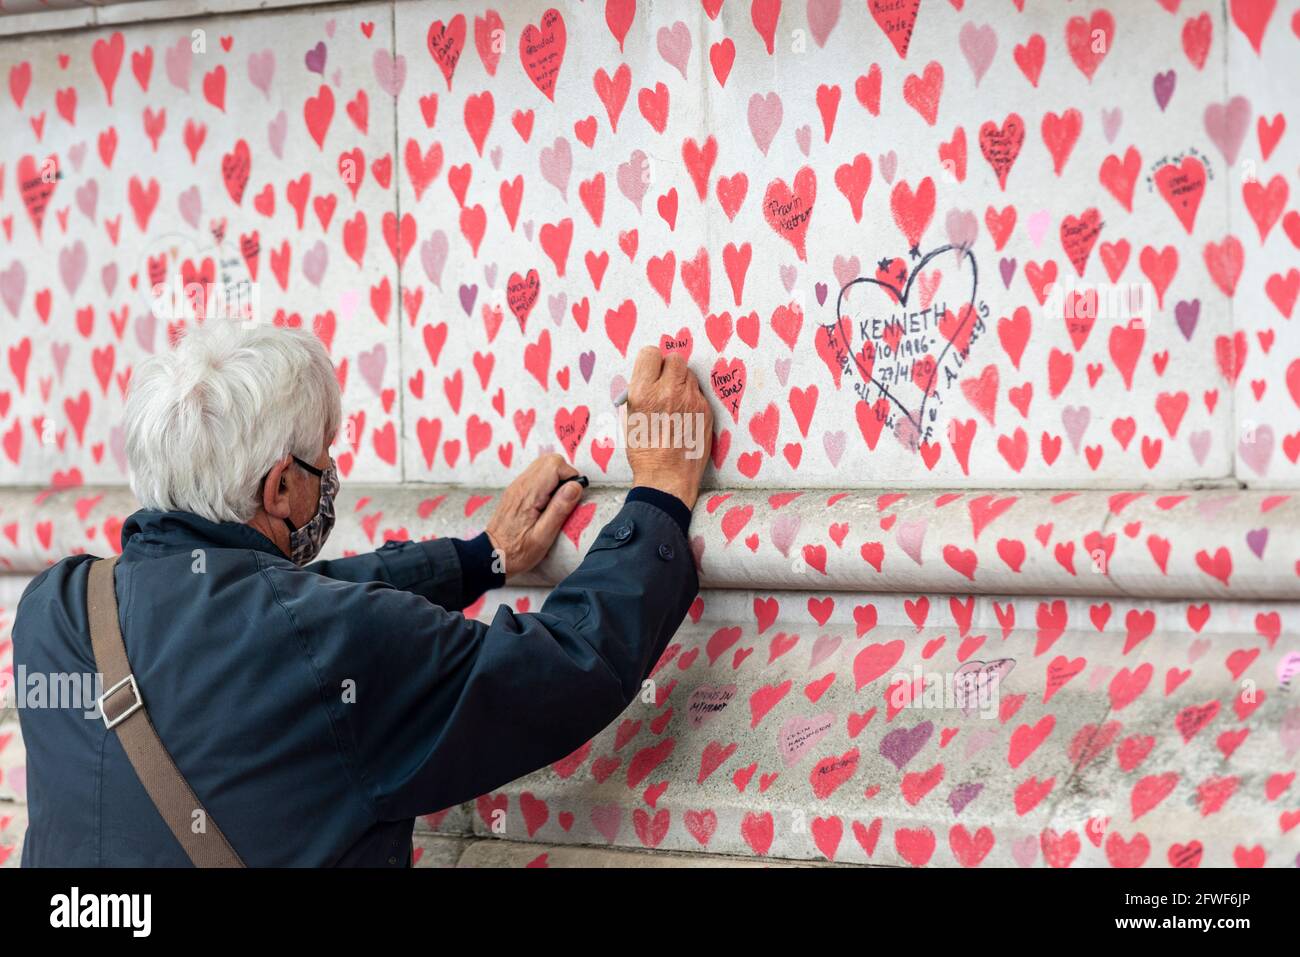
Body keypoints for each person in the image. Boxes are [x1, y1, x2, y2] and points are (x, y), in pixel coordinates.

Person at [12, 321, 712, 866]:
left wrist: (476, 559)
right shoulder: (326, 643)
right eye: (323, 459)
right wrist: (660, 495)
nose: (332, 476)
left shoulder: (56, 609)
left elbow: (261, 618)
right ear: (280, 487)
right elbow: (565, 665)